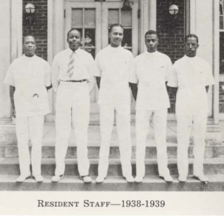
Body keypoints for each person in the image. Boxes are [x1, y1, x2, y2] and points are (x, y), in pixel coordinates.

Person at [4, 35, 52, 183]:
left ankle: (37, 172)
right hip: (21, 107)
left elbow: (48, 85)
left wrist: (38, 97)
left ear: (36, 46)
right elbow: (12, 86)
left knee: (36, 140)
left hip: (37, 108)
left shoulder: (43, 64)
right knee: (22, 140)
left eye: (32, 42)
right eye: (27, 43)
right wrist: (13, 106)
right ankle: (24, 172)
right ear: (23, 46)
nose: (30, 45)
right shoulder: (16, 64)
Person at [167, 34, 215, 183]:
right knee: (183, 139)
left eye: (193, 44)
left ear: (197, 46)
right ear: (184, 45)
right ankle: (183, 173)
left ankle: (198, 171)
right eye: (188, 44)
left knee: (200, 139)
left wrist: (198, 99)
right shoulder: (177, 64)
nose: (190, 47)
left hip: (200, 105)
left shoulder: (204, 64)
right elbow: (172, 87)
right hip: (183, 106)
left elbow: (206, 86)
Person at [51, 29, 97, 184]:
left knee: (81, 131)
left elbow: (92, 80)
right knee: (62, 131)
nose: (74, 40)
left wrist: (82, 91)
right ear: (67, 39)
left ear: (80, 40)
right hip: (64, 89)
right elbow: (54, 79)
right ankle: (59, 170)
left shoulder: (87, 56)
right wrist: (62, 91)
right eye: (71, 37)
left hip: (81, 90)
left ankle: (84, 171)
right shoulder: (59, 56)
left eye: (77, 37)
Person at [130, 30, 173, 183]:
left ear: (158, 41)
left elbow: (169, 82)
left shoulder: (165, 59)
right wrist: (140, 98)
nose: (150, 43)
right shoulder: (138, 60)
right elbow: (133, 83)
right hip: (143, 103)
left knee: (161, 137)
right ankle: (139, 173)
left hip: (160, 102)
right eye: (148, 40)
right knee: (140, 138)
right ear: (144, 41)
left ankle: (164, 171)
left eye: (153, 40)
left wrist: (160, 95)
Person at [94, 24, 134, 183]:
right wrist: (106, 91)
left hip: (123, 97)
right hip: (106, 98)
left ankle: (127, 172)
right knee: (105, 133)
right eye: (115, 33)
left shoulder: (128, 55)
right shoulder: (101, 54)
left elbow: (131, 78)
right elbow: (98, 77)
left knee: (124, 134)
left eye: (120, 34)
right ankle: (101, 172)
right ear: (109, 35)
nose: (117, 36)